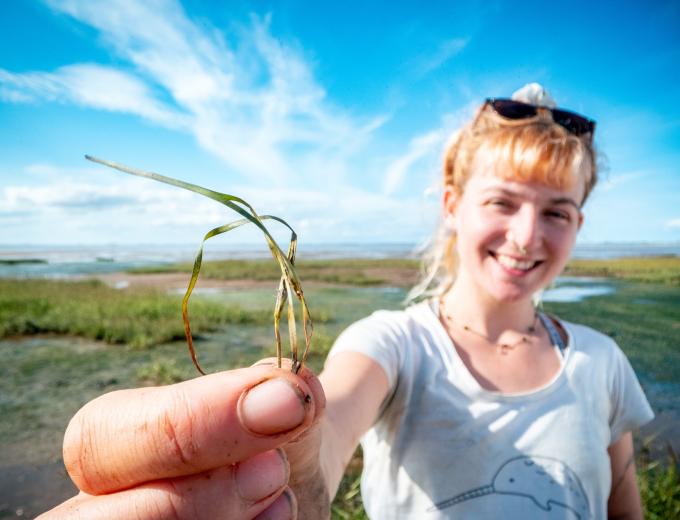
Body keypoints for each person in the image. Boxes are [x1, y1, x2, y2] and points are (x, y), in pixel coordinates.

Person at [41, 84, 653, 519]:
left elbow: (624, 508)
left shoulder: (603, 362)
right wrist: (291, 466)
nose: (526, 236)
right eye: (502, 202)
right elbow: (323, 450)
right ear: (452, 206)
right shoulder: (392, 342)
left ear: (579, 224)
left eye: (557, 212)